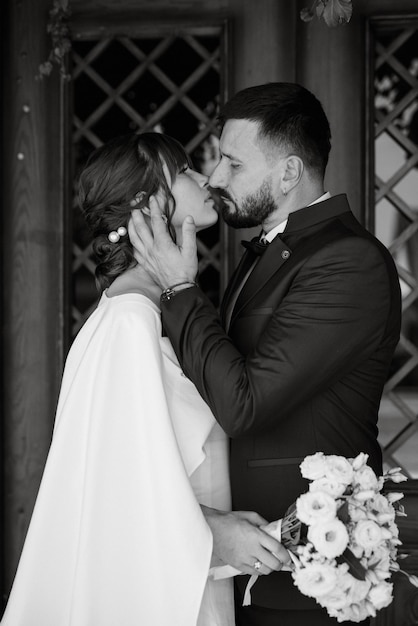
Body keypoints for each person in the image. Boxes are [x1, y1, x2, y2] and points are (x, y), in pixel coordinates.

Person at [128, 83, 402, 626]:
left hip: (313, 569)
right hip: (249, 563)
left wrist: (182, 291)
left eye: (233, 162)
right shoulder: (270, 251)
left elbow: (245, 403)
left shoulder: (348, 262)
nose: (215, 178)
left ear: (289, 173)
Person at [1, 132, 246, 626]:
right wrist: (218, 532)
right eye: (184, 169)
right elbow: (122, 481)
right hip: (160, 585)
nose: (204, 176)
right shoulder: (130, 321)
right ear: (149, 201)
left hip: (184, 568)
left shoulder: (153, 312)